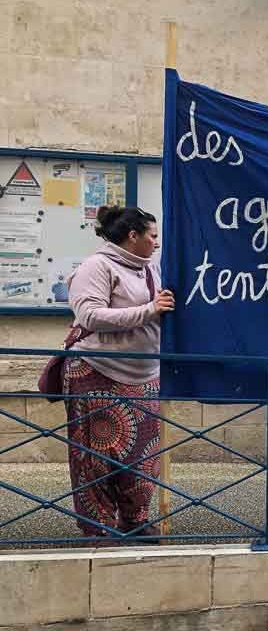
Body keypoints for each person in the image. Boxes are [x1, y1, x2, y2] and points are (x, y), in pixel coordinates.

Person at [65, 206, 174, 544]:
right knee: (97, 457)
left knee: (143, 455)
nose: (156, 243)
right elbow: (90, 315)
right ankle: (98, 528)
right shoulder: (97, 266)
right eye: (152, 236)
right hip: (98, 372)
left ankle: (135, 521)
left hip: (143, 374)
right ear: (132, 236)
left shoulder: (150, 270)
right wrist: (149, 310)